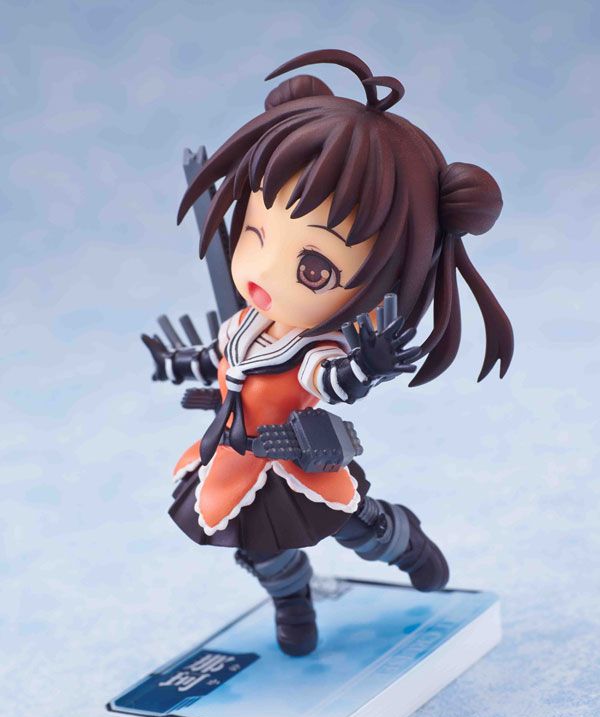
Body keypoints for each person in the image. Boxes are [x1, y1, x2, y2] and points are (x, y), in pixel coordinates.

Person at [142, 49, 514, 656]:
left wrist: (366, 365)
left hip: (296, 458)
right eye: (255, 234)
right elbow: (218, 358)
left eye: (313, 268)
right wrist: (173, 364)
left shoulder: (314, 345)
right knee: (256, 546)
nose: (263, 271)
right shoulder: (243, 324)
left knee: (353, 523)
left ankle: (404, 541)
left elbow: (331, 378)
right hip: (234, 455)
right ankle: (291, 600)